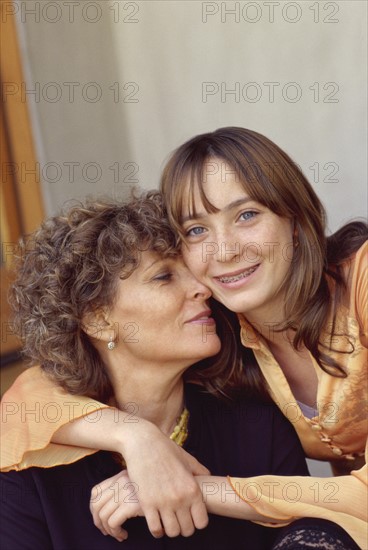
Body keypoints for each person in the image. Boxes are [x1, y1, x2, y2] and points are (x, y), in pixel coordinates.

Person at [1, 127, 367, 546]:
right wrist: (137, 437)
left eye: (246, 214)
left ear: (296, 222)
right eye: (196, 231)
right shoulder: (227, 326)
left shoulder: (357, 286)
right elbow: (25, 402)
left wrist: (198, 487)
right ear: (98, 320)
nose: (222, 253)